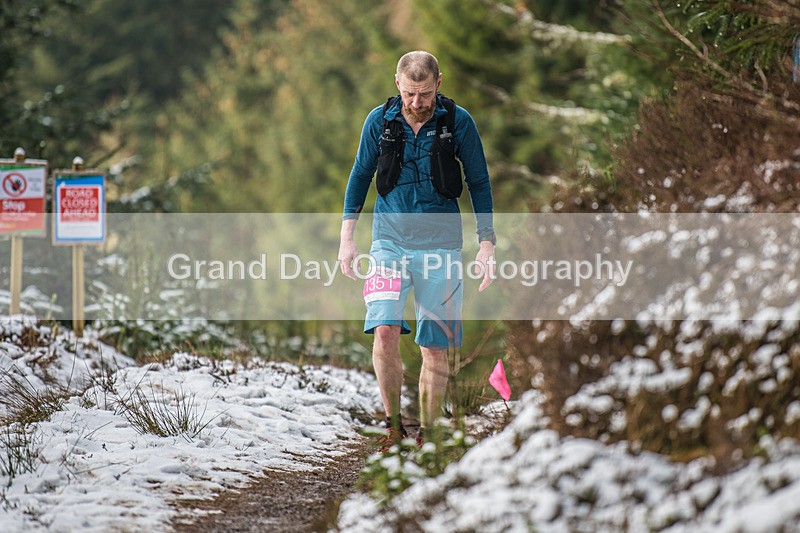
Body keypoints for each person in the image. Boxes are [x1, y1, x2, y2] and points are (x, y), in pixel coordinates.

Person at [338, 51, 495, 448]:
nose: (417, 102)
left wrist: (486, 244)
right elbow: (360, 175)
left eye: (425, 93)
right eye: (409, 93)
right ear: (397, 84)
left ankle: (428, 433)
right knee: (384, 329)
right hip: (388, 242)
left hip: (442, 245)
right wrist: (347, 238)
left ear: (438, 83)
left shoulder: (458, 122)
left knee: (434, 345)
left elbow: (479, 181)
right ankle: (393, 426)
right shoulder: (379, 121)